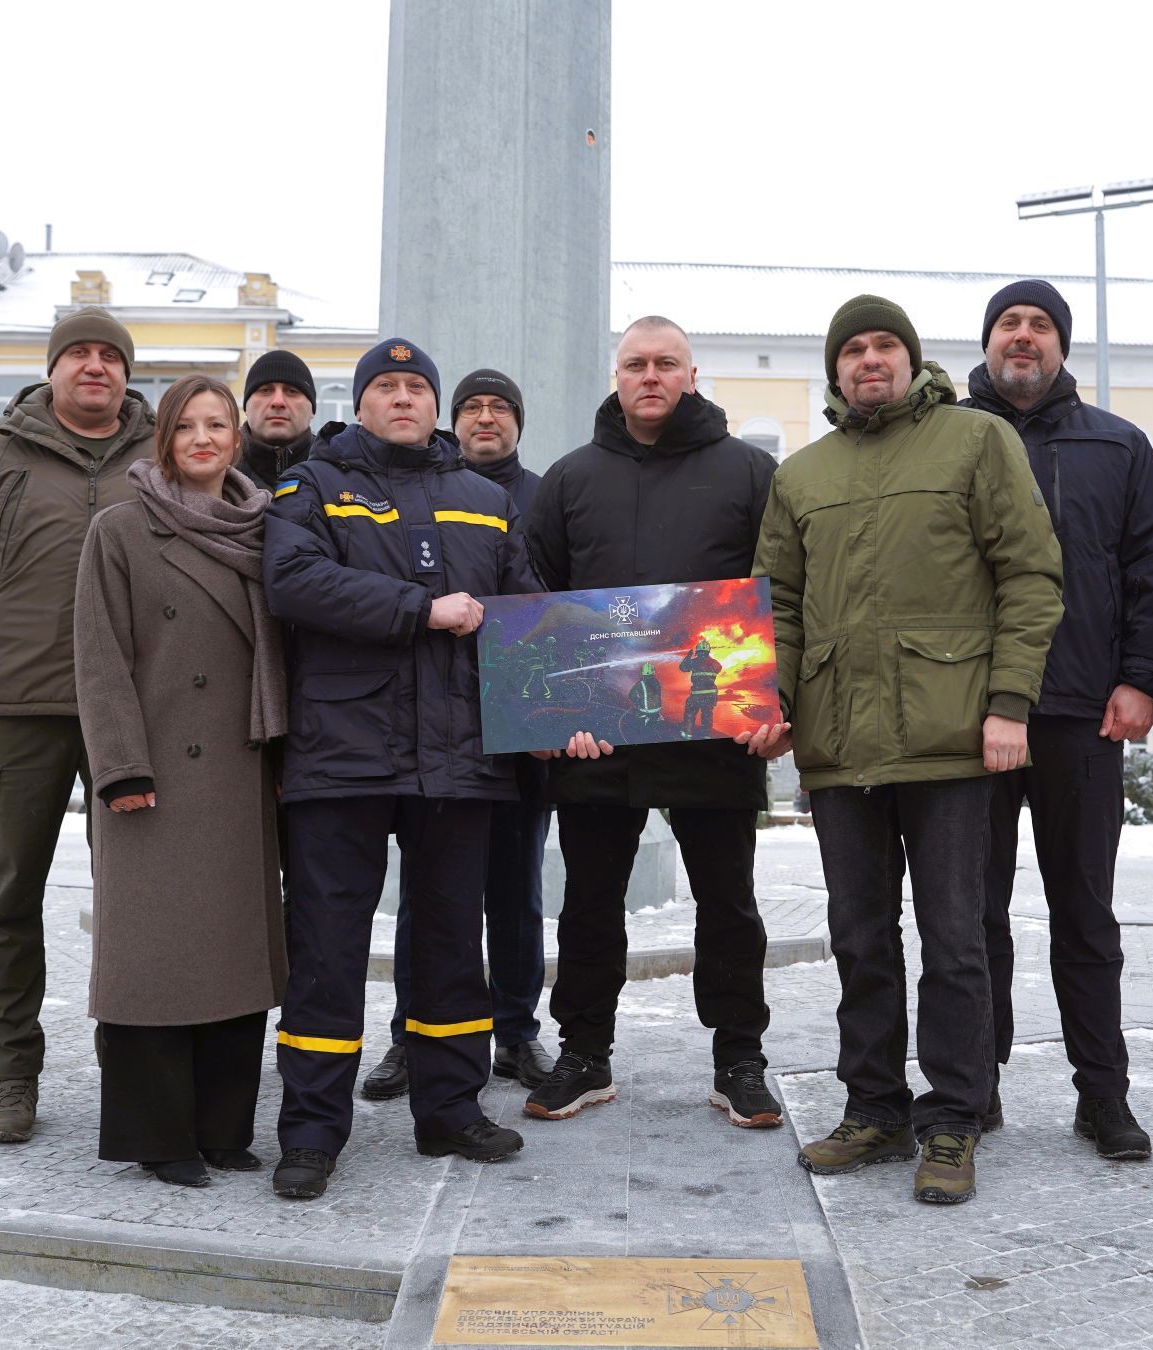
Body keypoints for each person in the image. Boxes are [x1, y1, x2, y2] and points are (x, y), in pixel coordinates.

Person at [749, 295, 1062, 1205]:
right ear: (834, 371)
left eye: (884, 344)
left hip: (954, 739)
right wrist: (769, 699)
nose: (869, 360)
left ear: (911, 358)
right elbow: (778, 606)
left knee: (954, 940)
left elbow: (1030, 575)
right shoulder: (802, 474)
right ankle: (875, 1108)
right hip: (841, 746)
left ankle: (956, 1118)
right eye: (852, 349)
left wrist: (1008, 703)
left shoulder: (973, 442)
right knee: (857, 937)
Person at [262, 338, 540, 1200]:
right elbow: (295, 582)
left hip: (456, 764)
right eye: (386, 386)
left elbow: (525, 619)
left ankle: (449, 1110)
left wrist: (566, 715)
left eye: (417, 386)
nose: (404, 398)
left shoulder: (484, 500)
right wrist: (420, 609)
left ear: (436, 405)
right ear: (363, 402)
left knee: (452, 945)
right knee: (326, 951)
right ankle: (311, 1131)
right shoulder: (310, 485)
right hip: (341, 756)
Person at [0, 307, 153, 1144]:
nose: (94, 367)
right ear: (52, 369)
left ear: (126, 372)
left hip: (134, 717)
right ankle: (13, 1076)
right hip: (13, 716)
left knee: (139, 901)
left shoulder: (159, 456)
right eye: (78, 354)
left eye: (109, 356)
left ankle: (138, 1067)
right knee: (7, 903)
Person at [522, 316, 781, 1131]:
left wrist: (779, 708)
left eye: (666, 363)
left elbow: (784, 594)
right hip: (599, 737)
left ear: (691, 374)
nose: (650, 376)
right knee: (590, 903)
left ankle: (739, 1057)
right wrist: (556, 714)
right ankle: (584, 1053)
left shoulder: (751, 474)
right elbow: (540, 605)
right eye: (635, 363)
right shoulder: (569, 479)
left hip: (714, 731)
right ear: (617, 375)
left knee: (727, 904)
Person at [961, 279, 1153, 1160]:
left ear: (1061, 347)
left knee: (1084, 914)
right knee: (970, 916)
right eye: (1007, 324)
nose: (1022, 336)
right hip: (969, 716)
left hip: (1082, 714)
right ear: (984, 345)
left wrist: (1138, 679)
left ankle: (1102, 1096)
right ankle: (974, 1087)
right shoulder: (947, 440)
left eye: (1038, 325)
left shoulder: (1116, 447)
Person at [72, 375, 286, 1188]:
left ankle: (223, 1129)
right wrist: (120, 767)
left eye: (218, 425)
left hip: (240, 767)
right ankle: (158, 1137)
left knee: (233, 956)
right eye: (187, 426)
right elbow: (99, 660)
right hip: (152, 774)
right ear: (163, 439)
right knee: (154, 961)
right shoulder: (120, 530)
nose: (204, 438)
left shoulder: (266, 528)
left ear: (238, 437)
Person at [364, 368, 557, 1103]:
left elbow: (555, 603)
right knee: (430, 894)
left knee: (516, 890)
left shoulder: (543, 496)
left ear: (517, 423)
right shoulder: (421, 492)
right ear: (452, 420)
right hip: (435, 733)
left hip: (518, 730)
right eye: (472, 406)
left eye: (499, 407)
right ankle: (411, 1037)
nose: (485, 418)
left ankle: (515, 1032)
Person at [238, 350, 317, 492]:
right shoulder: (218, 470)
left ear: (312, 409)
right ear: (246, 407)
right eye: (265, 390)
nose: (278, 402)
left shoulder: (339, 471)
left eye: (292, 391)